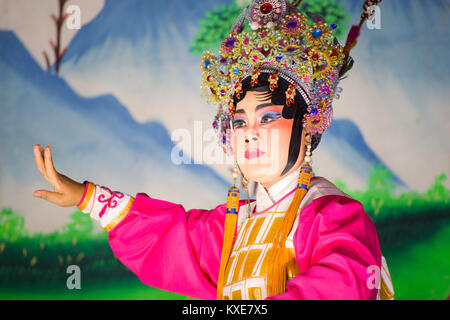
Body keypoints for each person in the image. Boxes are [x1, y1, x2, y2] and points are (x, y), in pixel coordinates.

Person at [33, 0, 394, 300]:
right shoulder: (235, 225)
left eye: (267, 118)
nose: (249, 134)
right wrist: (86, 196)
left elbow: (342, 284)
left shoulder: (332, 217)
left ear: (309, 123)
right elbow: (168, 240)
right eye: (239, 122)